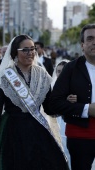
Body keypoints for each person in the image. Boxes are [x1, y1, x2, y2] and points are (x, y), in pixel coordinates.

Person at [0, 35, 69, 170]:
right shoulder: (6, 76)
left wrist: (64, 102)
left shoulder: (42, 74)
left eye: (33, 49)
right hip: (12, 131)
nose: (31, 53)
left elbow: (48, 107)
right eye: (25, 50)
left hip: (37, 130)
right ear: (15, 53)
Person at [49, 24, 95, 170]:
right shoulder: (71, 69)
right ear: (82, 45)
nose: (94, 42)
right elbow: (54, 103)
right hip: (80, 135)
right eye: (90, 38)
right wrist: (86, 109)